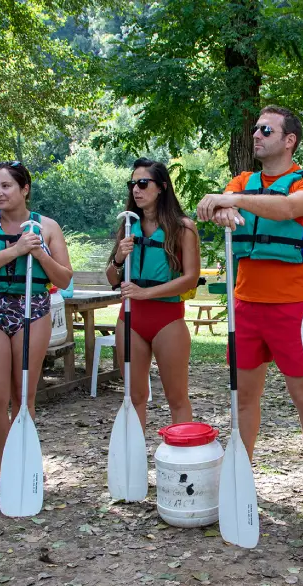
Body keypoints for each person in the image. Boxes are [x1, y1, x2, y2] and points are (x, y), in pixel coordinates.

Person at [196, 105, 303, 527]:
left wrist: (233, 202)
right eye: (255, 128)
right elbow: (227, 212)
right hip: (246, 307)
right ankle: (240, 480)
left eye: (266, 129)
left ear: (289, 139)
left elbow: (287, 209)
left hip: (293, 307)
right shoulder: (242, 181)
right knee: (244, 399)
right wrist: (229, 204)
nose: (256, 135)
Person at [0, 161, 73, 501]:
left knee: (22, 398)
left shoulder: (48, 227)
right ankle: (2, 472)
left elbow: (65, 279)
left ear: (24, 189)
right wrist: (15, 250)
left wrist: (38, 252)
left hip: (32, 310)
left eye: (7, 186)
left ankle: (23, 464)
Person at [105, 159, 200, 428]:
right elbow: (112, 278)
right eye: (132, 184)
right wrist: (120, 259)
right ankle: (134, 466)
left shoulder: (183, 228)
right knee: (134, 397)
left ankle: (182, 464)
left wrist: (146, 293)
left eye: (143, 183)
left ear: (162, 188)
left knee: (177, 398)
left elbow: (190, 278)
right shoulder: (127, 226)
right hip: (130, 321)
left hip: (167, 320)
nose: (136, 189)